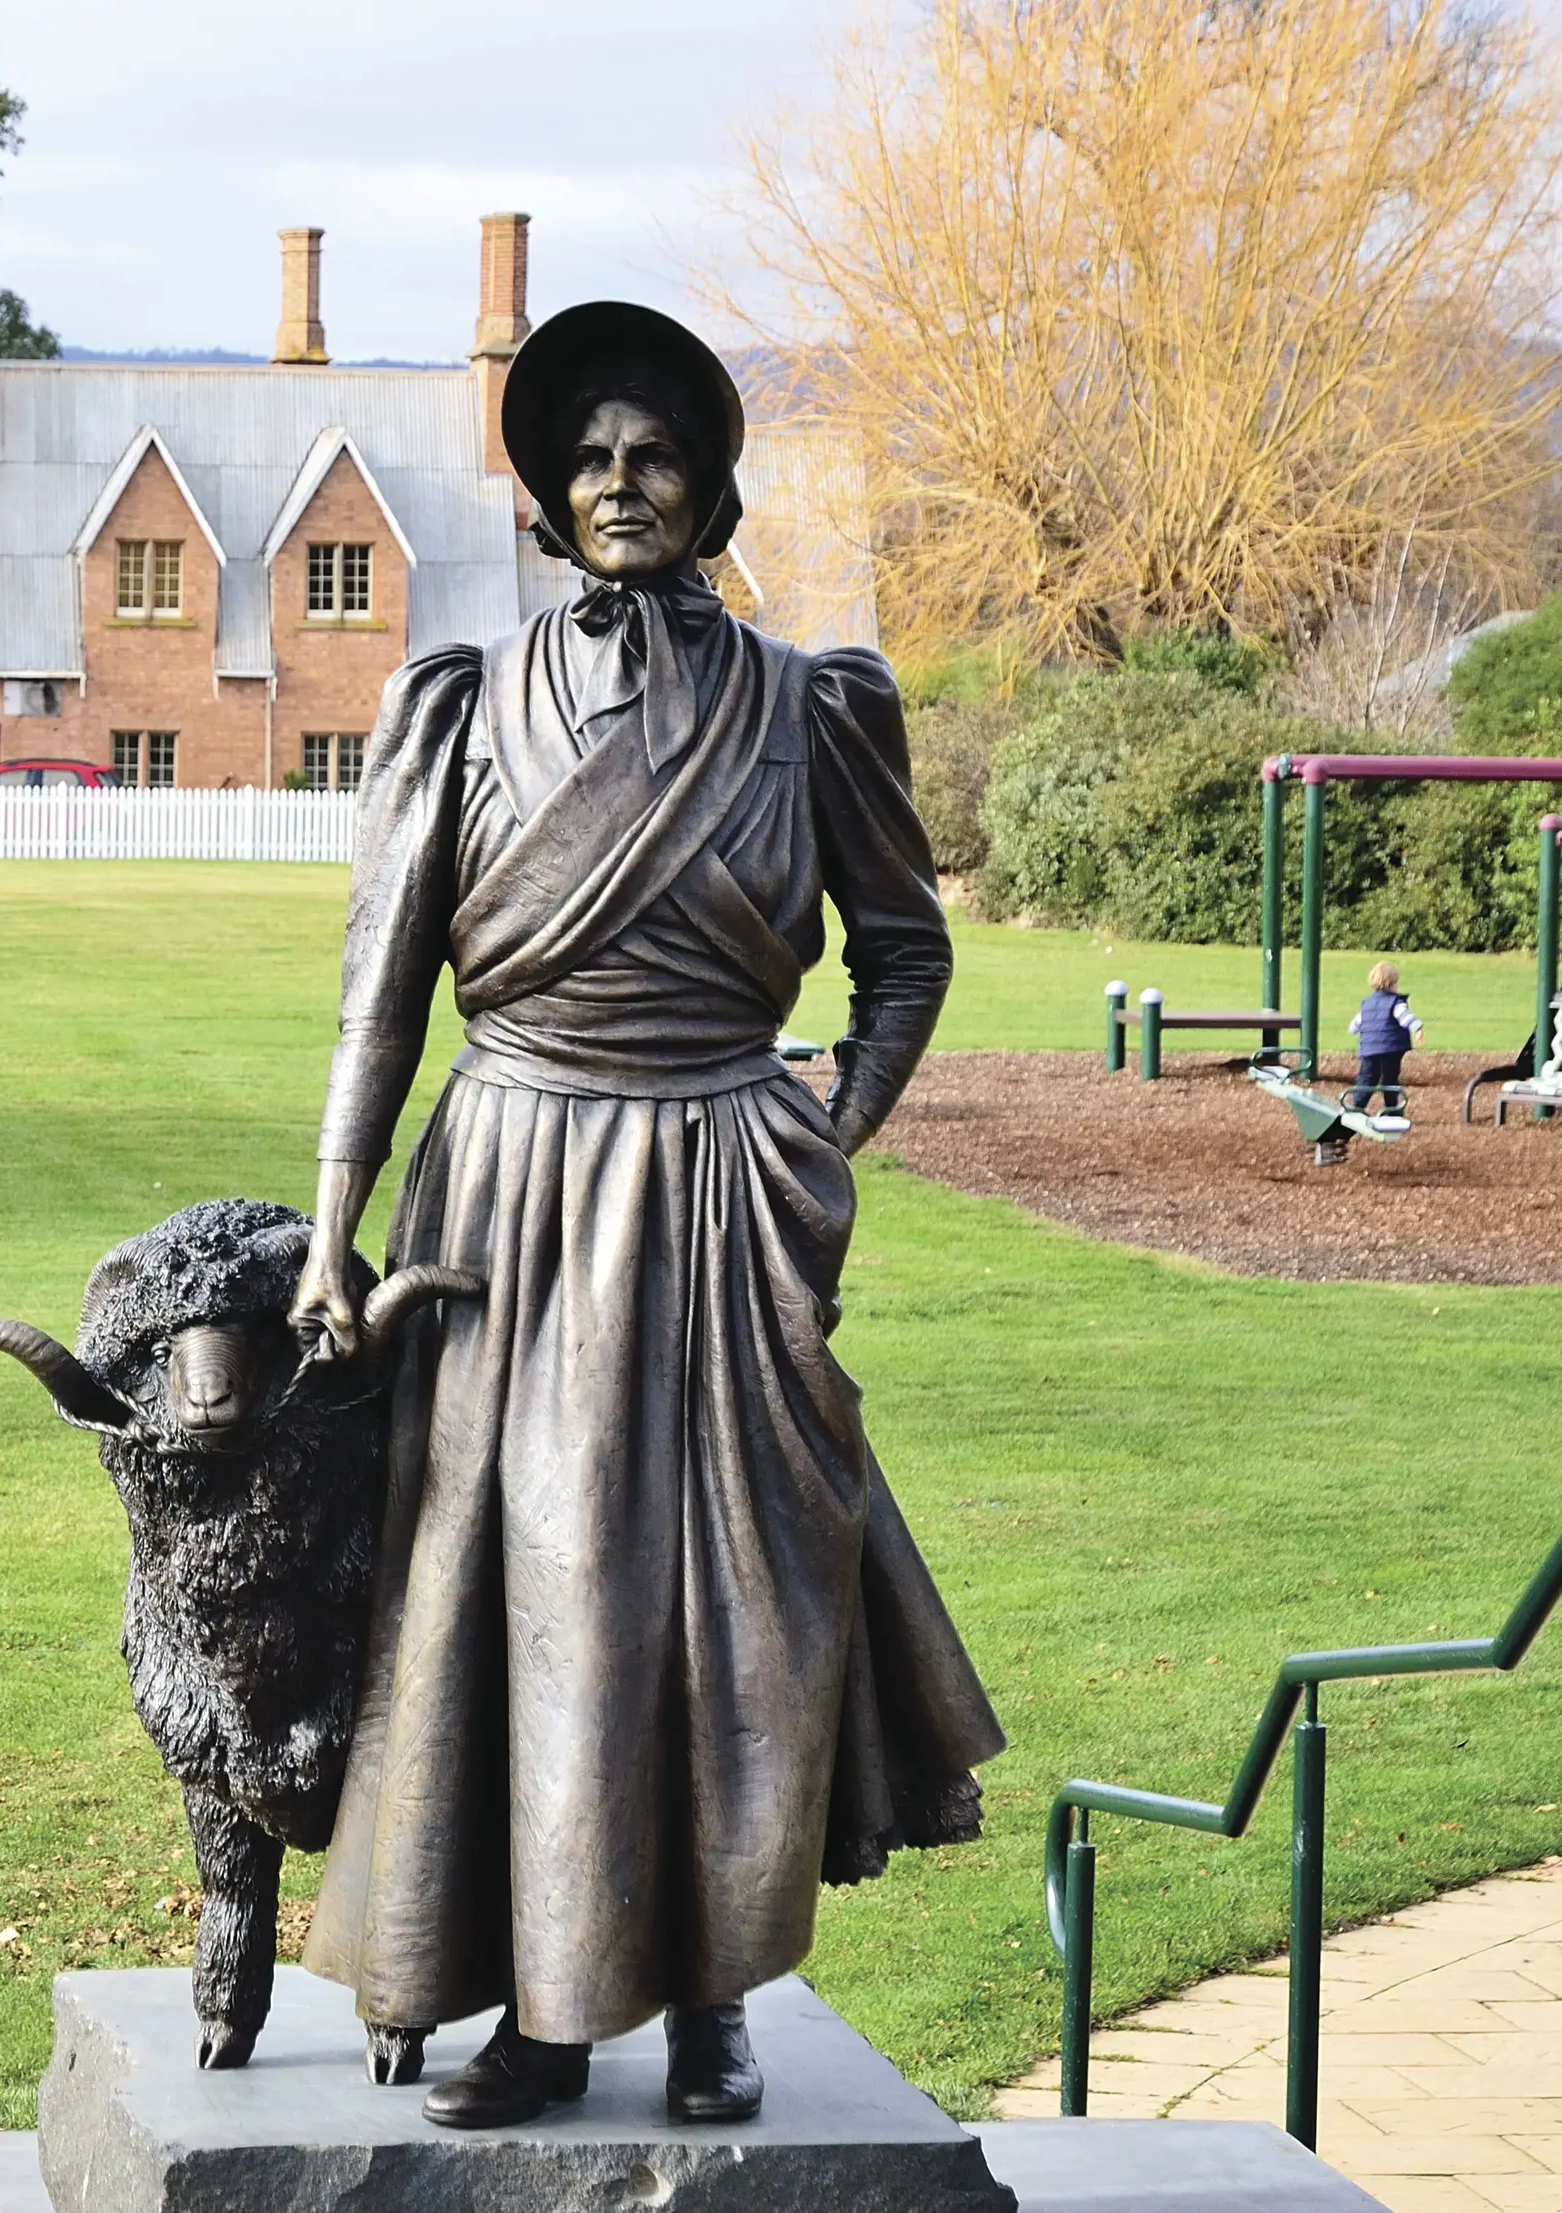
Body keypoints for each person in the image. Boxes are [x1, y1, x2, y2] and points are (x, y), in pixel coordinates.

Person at [285, 300, 1004, 2133]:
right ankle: (535, 2009)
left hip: (714, 1191)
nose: (623, 483)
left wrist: (820, 1135)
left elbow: (903, 953)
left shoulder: (803, 703)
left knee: (733, 1609)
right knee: (517, 1596)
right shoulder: (458, 704)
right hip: (510, 1187)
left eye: (656, 455)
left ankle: (710, 1999)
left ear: (710, 487)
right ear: (546, 499)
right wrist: (326, 1230)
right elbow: (385, 997)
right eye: (590, 458)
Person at [1345, 960, 1424, 1114]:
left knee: (1367, 1077)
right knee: (1390, 1079)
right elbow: (1405, 1017)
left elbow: (1356, 1024)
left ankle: (1357, 1106)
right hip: (1391, 1048)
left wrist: (1353, 1030)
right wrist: (1418, 1027)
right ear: (1392, 983)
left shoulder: (1367, 1004)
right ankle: (1392, 1109)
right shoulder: (1395, 1002)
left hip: (1369, 1048)